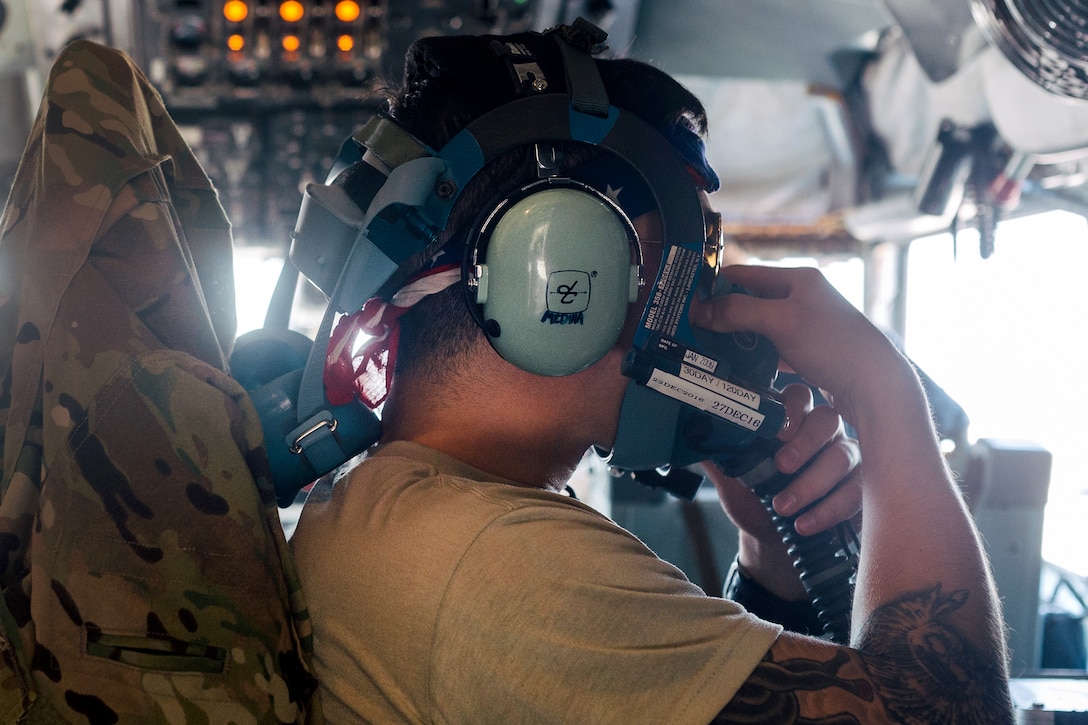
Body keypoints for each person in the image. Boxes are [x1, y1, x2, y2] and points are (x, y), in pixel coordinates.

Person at [289, 23, 1014, 724]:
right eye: (691, 245)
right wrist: (882, 388)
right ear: (568, 264)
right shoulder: (494, 562)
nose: (704, 294)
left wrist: (768, 555)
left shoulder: (409, 511)